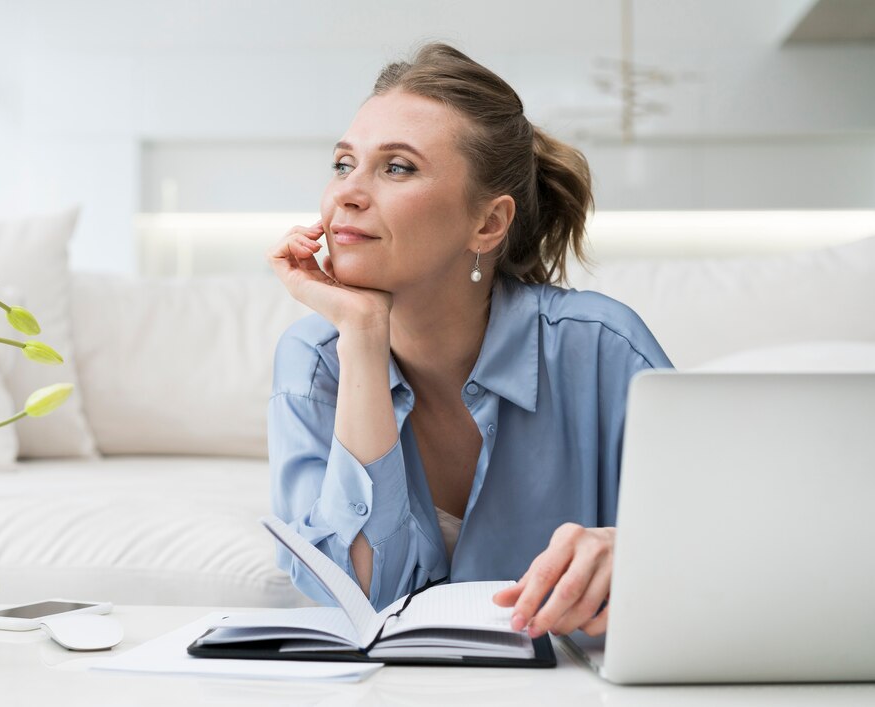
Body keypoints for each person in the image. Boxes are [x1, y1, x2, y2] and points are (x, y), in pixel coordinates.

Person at [267, 43, 671, 639]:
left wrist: (634, 550)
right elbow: (358, 598)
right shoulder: (315, 360)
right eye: (343, 164)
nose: (348, 193)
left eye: (397, 167)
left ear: (488, 224)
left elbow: (729, 541)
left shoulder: (603, 347)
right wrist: (361, 333)